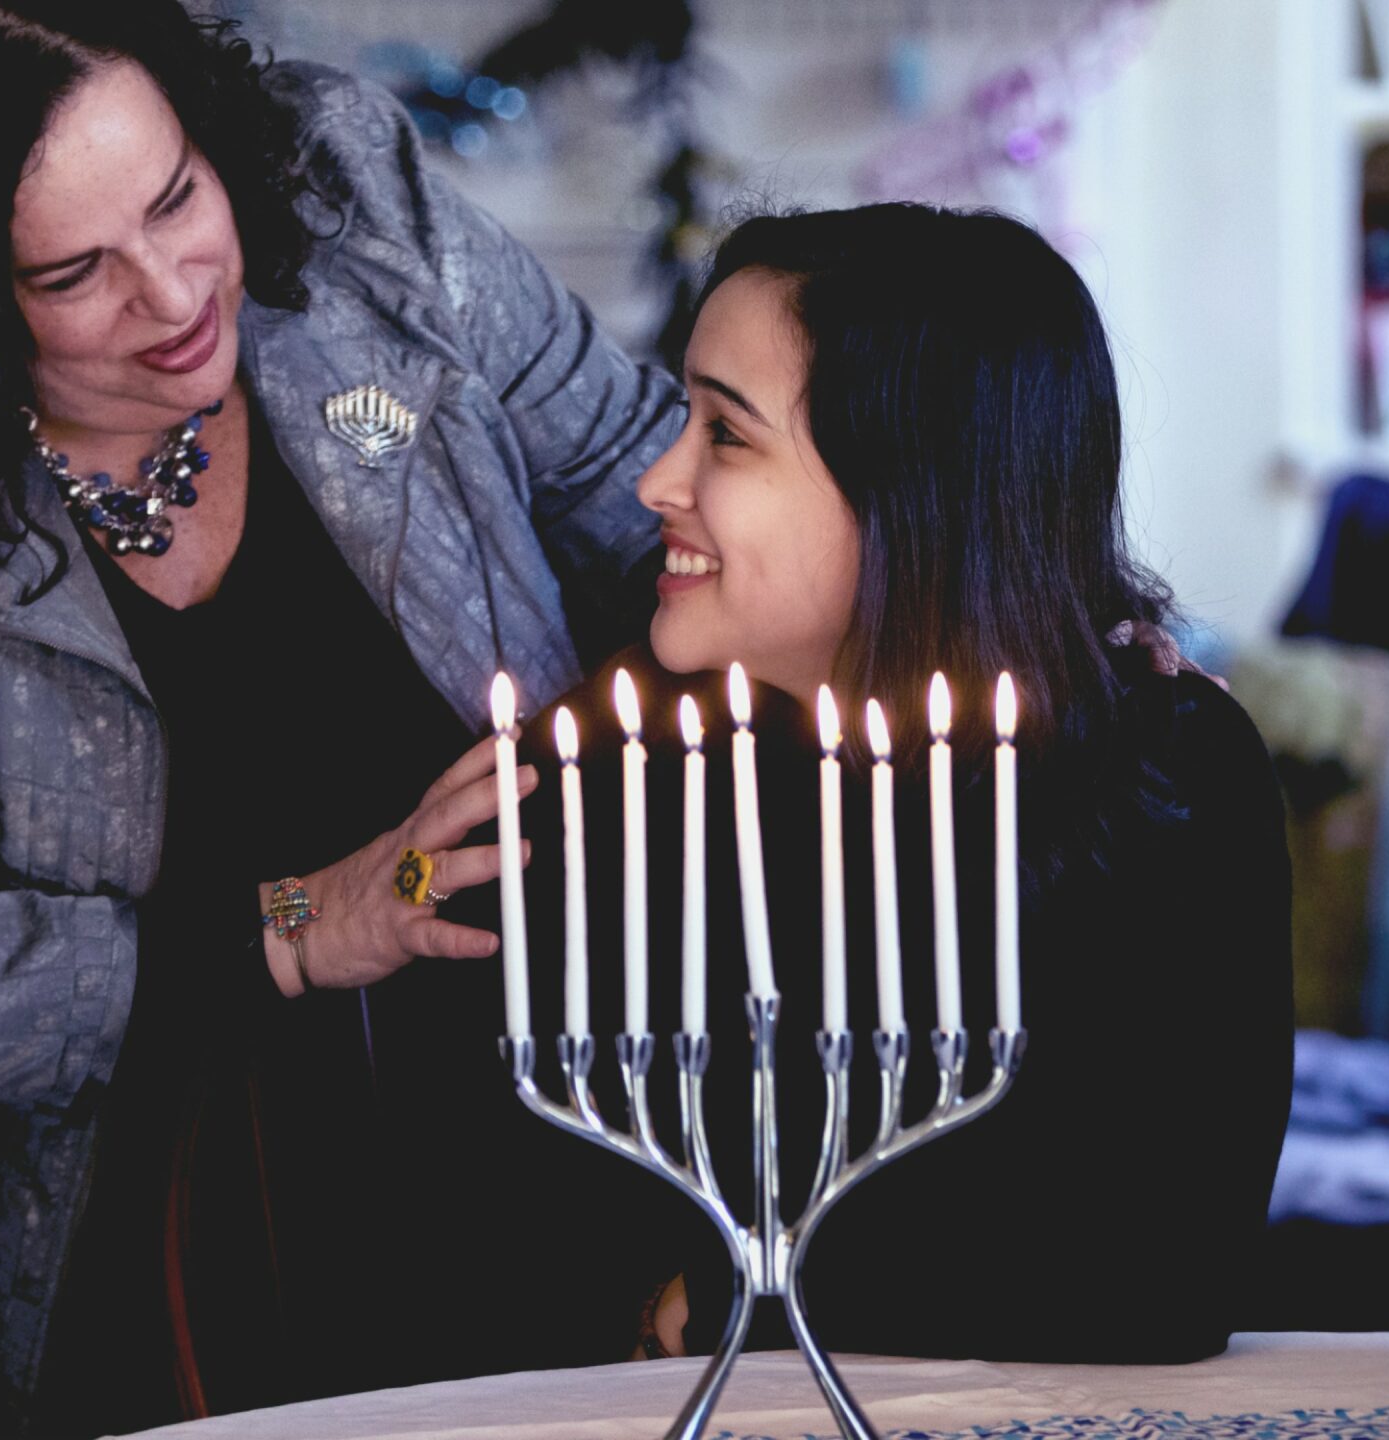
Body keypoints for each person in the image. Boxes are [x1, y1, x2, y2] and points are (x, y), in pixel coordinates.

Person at [0, 3, 681, 1434]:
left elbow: (640, 485)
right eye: (71, 273)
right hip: (70, 1260)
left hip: (512, 1152)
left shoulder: (338, 188)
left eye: (178, 198)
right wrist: (298, 929)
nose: (171, 297)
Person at [524, 202, 1291, 1365]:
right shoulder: (644, 758)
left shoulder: (1163, 772)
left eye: (724, 436)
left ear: (907, 486)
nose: (655, 482)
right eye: (682, 416)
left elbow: (1163, 1279)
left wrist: (754, 1306)